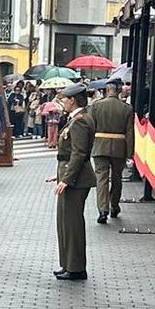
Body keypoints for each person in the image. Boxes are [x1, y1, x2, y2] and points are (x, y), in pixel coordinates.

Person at [52, 83, 96, 281]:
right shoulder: (77, 119)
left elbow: (79, 153)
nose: (62, 102)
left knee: (72, 224)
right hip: (71, 175)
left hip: (76, 180)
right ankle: (69, 264)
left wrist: (67, 179)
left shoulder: (80, 121)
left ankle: (76, 268)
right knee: (65, 222)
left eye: (64, 99)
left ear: (73, 100)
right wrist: (60, 175)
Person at [87, 76, 135, 226]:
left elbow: (90, 127)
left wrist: (89, 147)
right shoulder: (127, 108)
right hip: (119, 147)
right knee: (116, 179)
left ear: (107, 90)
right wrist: (129, 153)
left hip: (100, 146)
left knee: (101, 179)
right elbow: (129, 133)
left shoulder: (96, 106)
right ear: (119, 90)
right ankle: (114, 206)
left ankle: (102, 210)